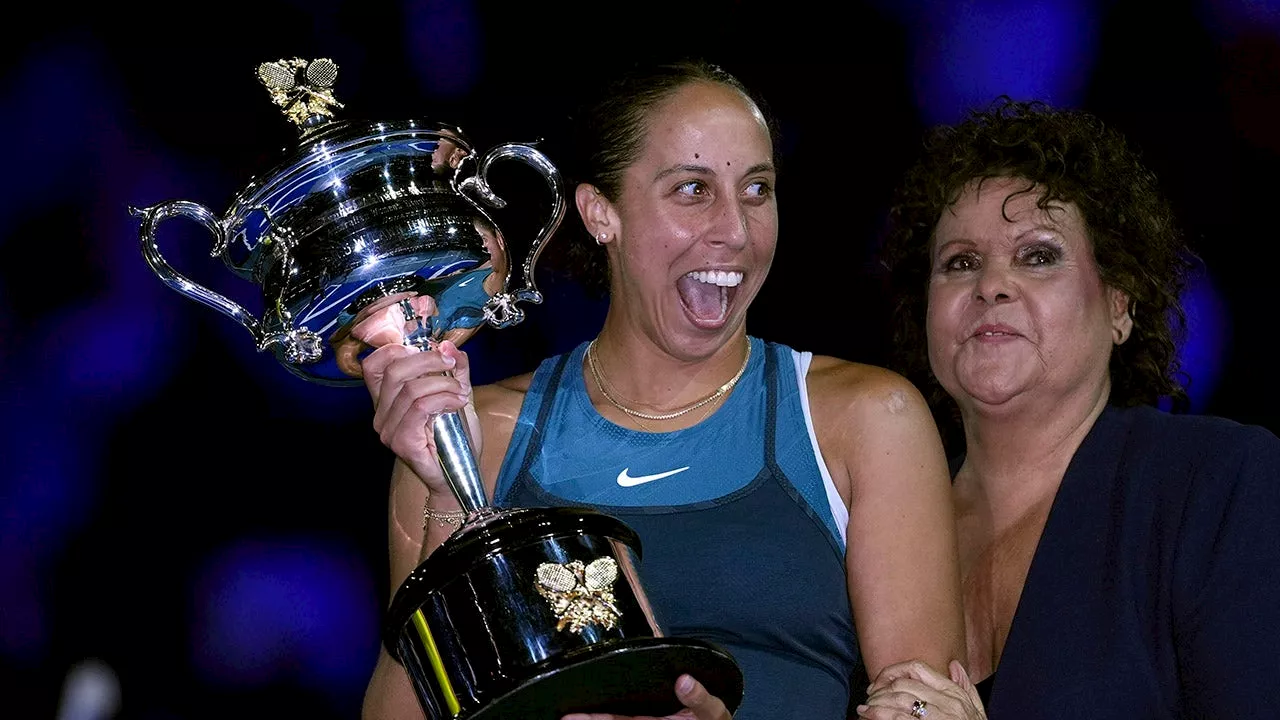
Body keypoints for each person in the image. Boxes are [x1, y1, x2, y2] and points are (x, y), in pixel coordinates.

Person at [355, 58, 967, 719]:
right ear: (600, 213)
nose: (736, 231)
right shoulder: (477, 438)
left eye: (757, 189)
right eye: (692, 190)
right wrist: (451, 489)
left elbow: (931, 707)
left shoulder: (867, 420)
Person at [858, 97, 1280, 719]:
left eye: (1038, 256)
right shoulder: (868, 519)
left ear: (1119, 306)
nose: (991, 284)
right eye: (960, 263)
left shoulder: (1219, 483)